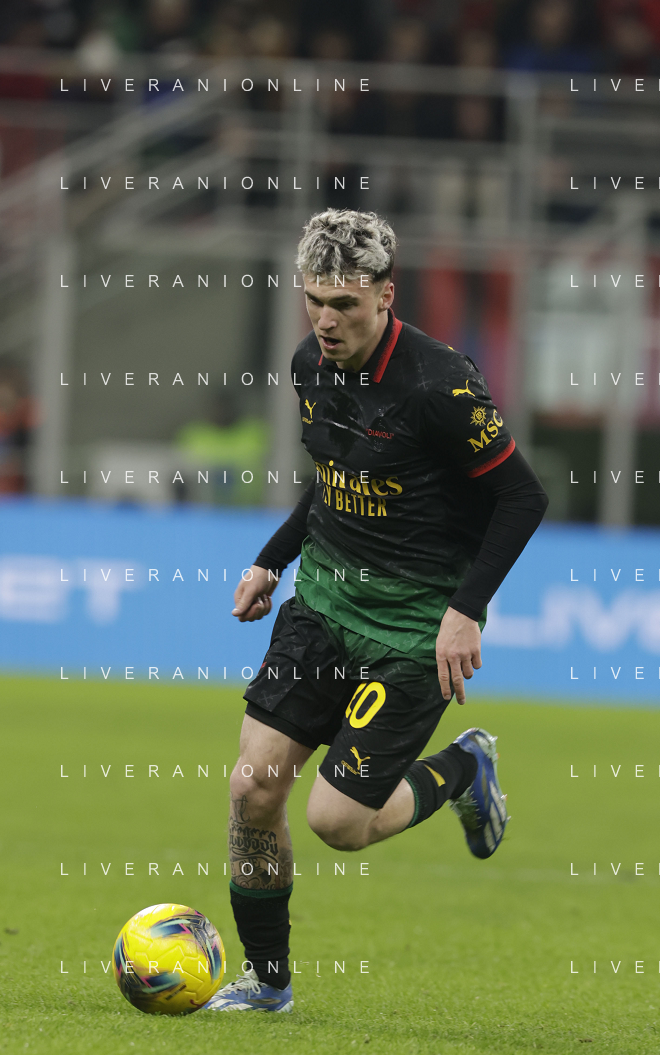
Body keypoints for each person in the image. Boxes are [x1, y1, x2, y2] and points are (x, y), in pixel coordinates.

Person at [204, 210, 548, 1014]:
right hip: (324, 603)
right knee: (253, 788)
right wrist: (272, 558)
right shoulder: (310, 365)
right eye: (313, 300)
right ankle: (267, 981)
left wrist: (465, 610)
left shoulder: (438, 386)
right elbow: (335, 476)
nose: (325, 321)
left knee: (338, 823)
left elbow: (521, 496)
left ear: (386, 295)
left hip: (411, 628)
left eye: (344, 304)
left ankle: (462, 769)